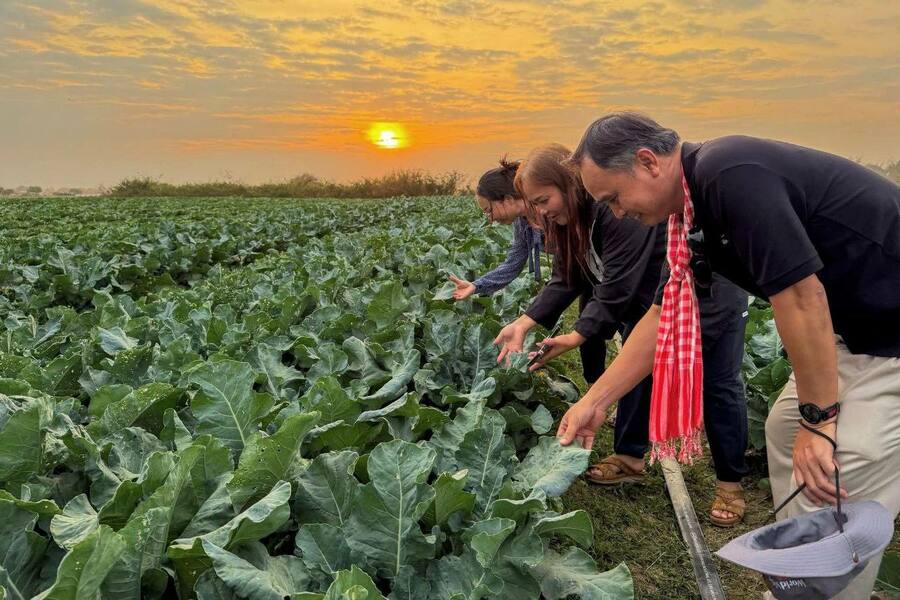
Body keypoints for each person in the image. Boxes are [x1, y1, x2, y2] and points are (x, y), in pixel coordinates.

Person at [559, 112, 900, 597]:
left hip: (889, 332)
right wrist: (597, 400)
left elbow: (802, 297)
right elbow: (663, 314)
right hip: (853, 328)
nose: (615, 213)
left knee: (843, 458)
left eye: (613, 198)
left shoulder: (730, 174)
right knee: (785, 430)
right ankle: (799, 574)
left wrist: (821, 419)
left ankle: (830, 583)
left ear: (648, 162)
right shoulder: (690, 215)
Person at [508, 144, 751, 525]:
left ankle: (730, 484)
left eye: (543, 199)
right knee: (634, 378)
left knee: (720, 384)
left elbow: (619, 284)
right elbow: (567, 277)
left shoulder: (611, 211)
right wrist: (525, 322)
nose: (540, 212)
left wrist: (578, 335)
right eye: (533, 205)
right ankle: (630, 457)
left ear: (568, 184)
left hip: (706, 290)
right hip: (648, 304)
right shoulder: (571, 223)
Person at [447, 159, 545, 300]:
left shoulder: (549, 210)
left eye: (488, 210)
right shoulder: (522, 223)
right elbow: (513, 263)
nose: (490, 218)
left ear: (507, 199)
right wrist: (475, 286)